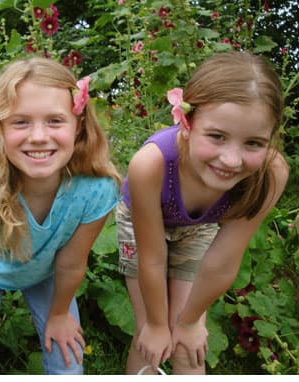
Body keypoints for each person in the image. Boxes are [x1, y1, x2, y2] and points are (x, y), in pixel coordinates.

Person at [116, 51, 289, 374]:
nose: (232, 160)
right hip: (141, 225)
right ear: (186, 121)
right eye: (217, 136)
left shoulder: (271, 173)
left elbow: (223, 259)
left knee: (187, 343)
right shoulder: (150, 165)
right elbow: (151, 258)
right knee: (151, 338)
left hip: (198, 228)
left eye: (253, 143)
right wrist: (156, 323)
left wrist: (190, 320)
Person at [0, 57, 121, 374]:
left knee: (69, 358)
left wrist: (59, 314)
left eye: (55, 121)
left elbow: (72, 262)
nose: (38, 136)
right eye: (20, 122)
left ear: (79, 128)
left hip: (49, 273)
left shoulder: (97, 190)